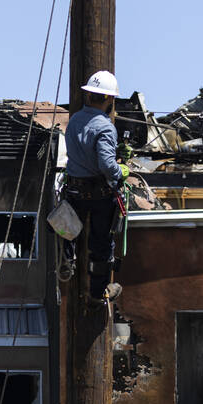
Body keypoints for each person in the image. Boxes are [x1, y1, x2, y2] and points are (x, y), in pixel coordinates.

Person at [61, 69, 128, 303]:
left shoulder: (74, 120)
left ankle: (67, 260)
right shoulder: (105, 127)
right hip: (99, 195)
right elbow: (107, 165)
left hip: (74, 191)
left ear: (88, 96)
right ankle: (98, 293)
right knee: (101, 244)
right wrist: (122, 171)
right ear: (109, 99)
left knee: (68, 231)